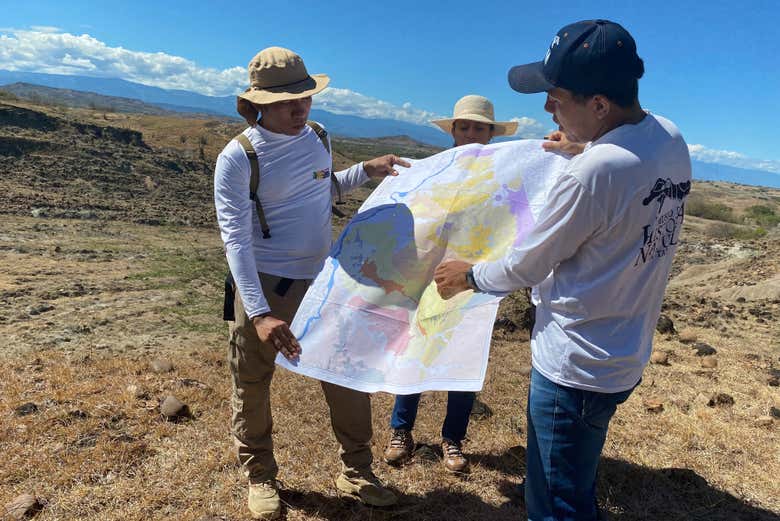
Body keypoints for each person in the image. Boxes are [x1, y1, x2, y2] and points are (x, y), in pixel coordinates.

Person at [433, 20, 691, 520]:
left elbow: (528, 263)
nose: (547, 108)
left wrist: (467, 276)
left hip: (575, 363)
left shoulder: (592, 174)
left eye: (556, 96)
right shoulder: (668, 138)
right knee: (576, 472)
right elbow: (630, 183)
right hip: (625, 351)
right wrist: (586, 147)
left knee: (555, 501)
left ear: (598, 105)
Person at [214, 46, 410, 520]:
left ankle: (357, 470)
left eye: (305, 96)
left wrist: (366, 171)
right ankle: (260, 475)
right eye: (286, 101)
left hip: (324, 281)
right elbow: (235, 241)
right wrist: (259, 312)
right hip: (265, 284)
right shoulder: (238, 157)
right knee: (253, 381)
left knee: (345, 375)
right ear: (259, 102)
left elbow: (322, 190)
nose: (299, 107)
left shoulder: (317, 136)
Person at [383, 95, 519, 474]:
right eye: (464, 126)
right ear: (453, 131)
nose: (471, 133)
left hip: (474, 282)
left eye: (479, 127)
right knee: (418, 349)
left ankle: (453, 439)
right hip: (427, 279)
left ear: (491, 133)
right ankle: (401, 431)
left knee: (463, 354)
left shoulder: (503, 177)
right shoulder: (434, 170)